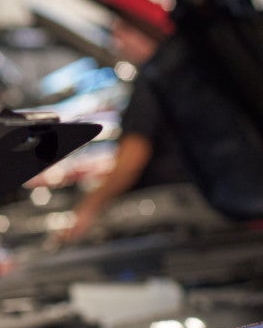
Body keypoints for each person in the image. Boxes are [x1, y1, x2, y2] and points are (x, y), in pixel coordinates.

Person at [64, 18, 197, 242]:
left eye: (125, 29)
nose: (118, 40)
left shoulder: (151, 82)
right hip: (189, 198)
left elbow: (132, 159)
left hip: (168, 204)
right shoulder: (178, 78)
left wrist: (88, 208)